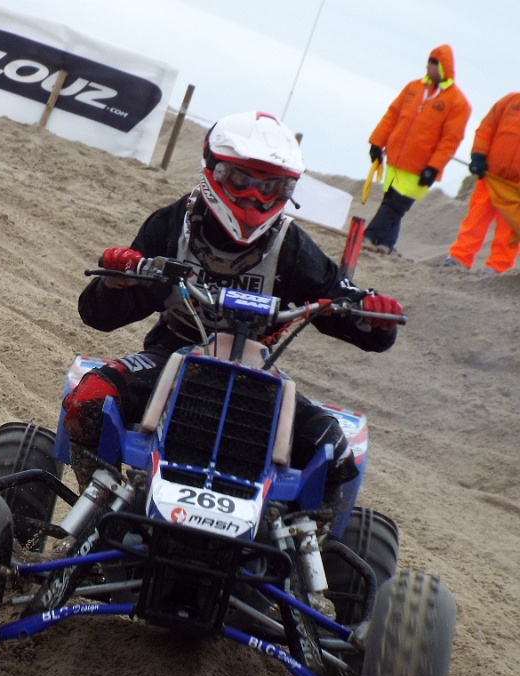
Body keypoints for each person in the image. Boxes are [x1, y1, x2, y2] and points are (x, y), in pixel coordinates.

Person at [62, 111, 403, 511]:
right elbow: (99, 314)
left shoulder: (290, 246)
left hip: (258, 375)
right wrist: (118, 283)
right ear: (214, 170)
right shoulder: (174, 225)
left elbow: (343, 308)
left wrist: (372, 318)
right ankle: (98, 511)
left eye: (272, 186)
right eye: (242, 181)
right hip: (170, 356)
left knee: (335, 454)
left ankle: (304, 554)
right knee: (90, 398)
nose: (256, 197)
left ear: (288, 188)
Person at [363, 45, 471, 255]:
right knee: (391, 203)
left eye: (433, 62)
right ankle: (385, 245)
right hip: (395, 159)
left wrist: (434, 167)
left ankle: (368, 236)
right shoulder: (414, 87)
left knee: (396, 206)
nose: (428, 66)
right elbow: (392, 115)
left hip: (420, 167)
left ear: (443, 67)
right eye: (429, 61)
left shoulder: (457, 102)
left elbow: (451, 140)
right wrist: (377, 143)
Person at [446, 92, 520, 274]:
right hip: (490, 177)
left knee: (509, 232)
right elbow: (487, 127)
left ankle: (498, 269)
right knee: (475, 220)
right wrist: (478, 155)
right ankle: (458, 259)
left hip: (516, 189)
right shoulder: (509, 101)